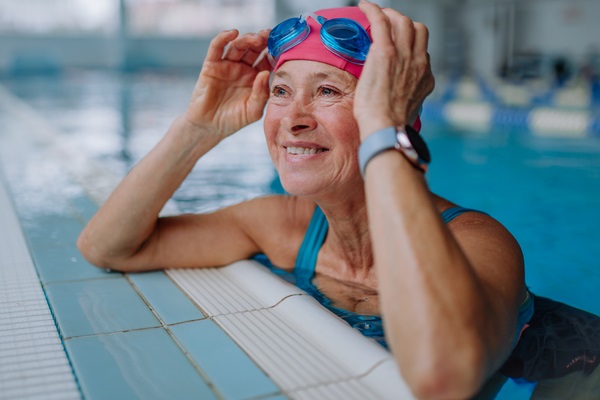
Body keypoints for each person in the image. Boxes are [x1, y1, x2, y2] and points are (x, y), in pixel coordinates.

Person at [78, 1, 533, 398]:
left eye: (328, 91)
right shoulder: (285, 226)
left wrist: (383, 127)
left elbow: (443, 378)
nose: (293, 119)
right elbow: (109, 247)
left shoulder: (476, 241)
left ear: (397, 114)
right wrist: (198, 130)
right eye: (281, 91)